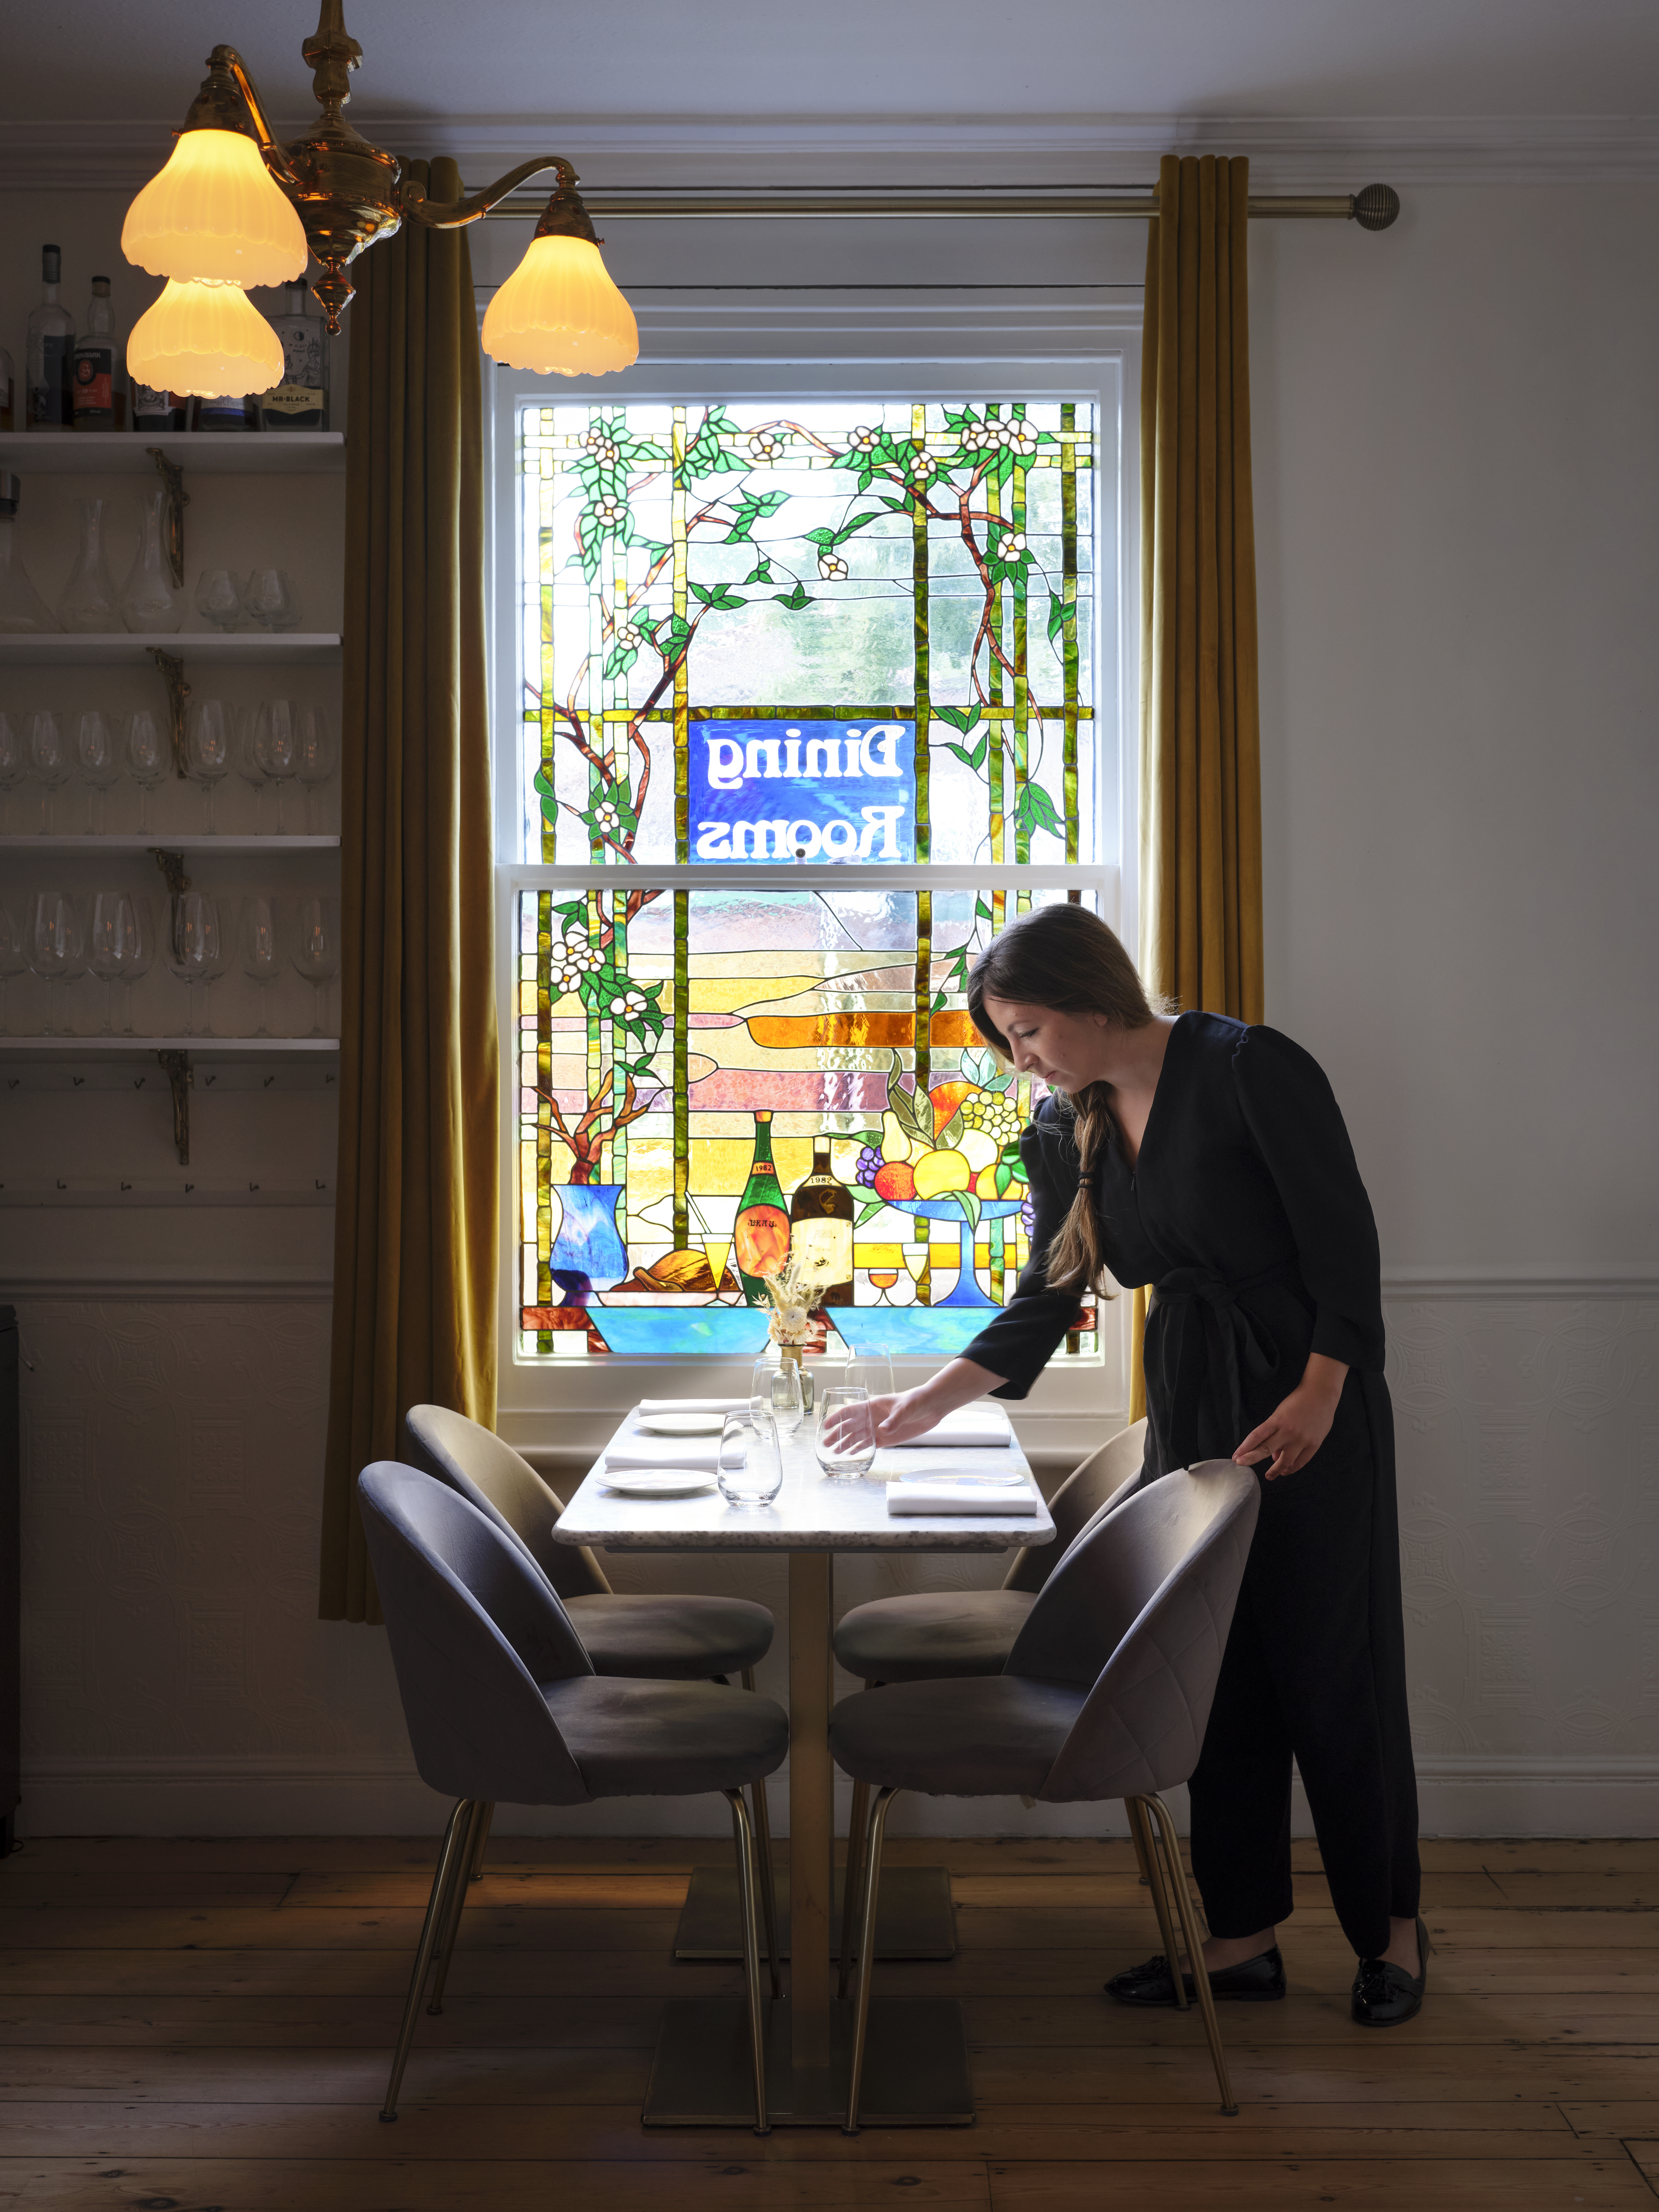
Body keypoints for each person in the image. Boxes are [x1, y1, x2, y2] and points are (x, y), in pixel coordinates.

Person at [863, 903, 1427, 2028]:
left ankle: (1391, 1930)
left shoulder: (1250, 1067)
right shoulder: (1056, 1129)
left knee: (1332, 1671)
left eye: (1024, 1030)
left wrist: (1321, 1391)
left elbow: (1344, 1242)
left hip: (1304, 1384)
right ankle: (1241, 1938)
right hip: (1189, 1397)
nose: (1019, 1058)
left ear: (1089, 994)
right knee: (1214, 1669)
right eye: (1006, 1039)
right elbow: (1048, 1297)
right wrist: (926, 1401)